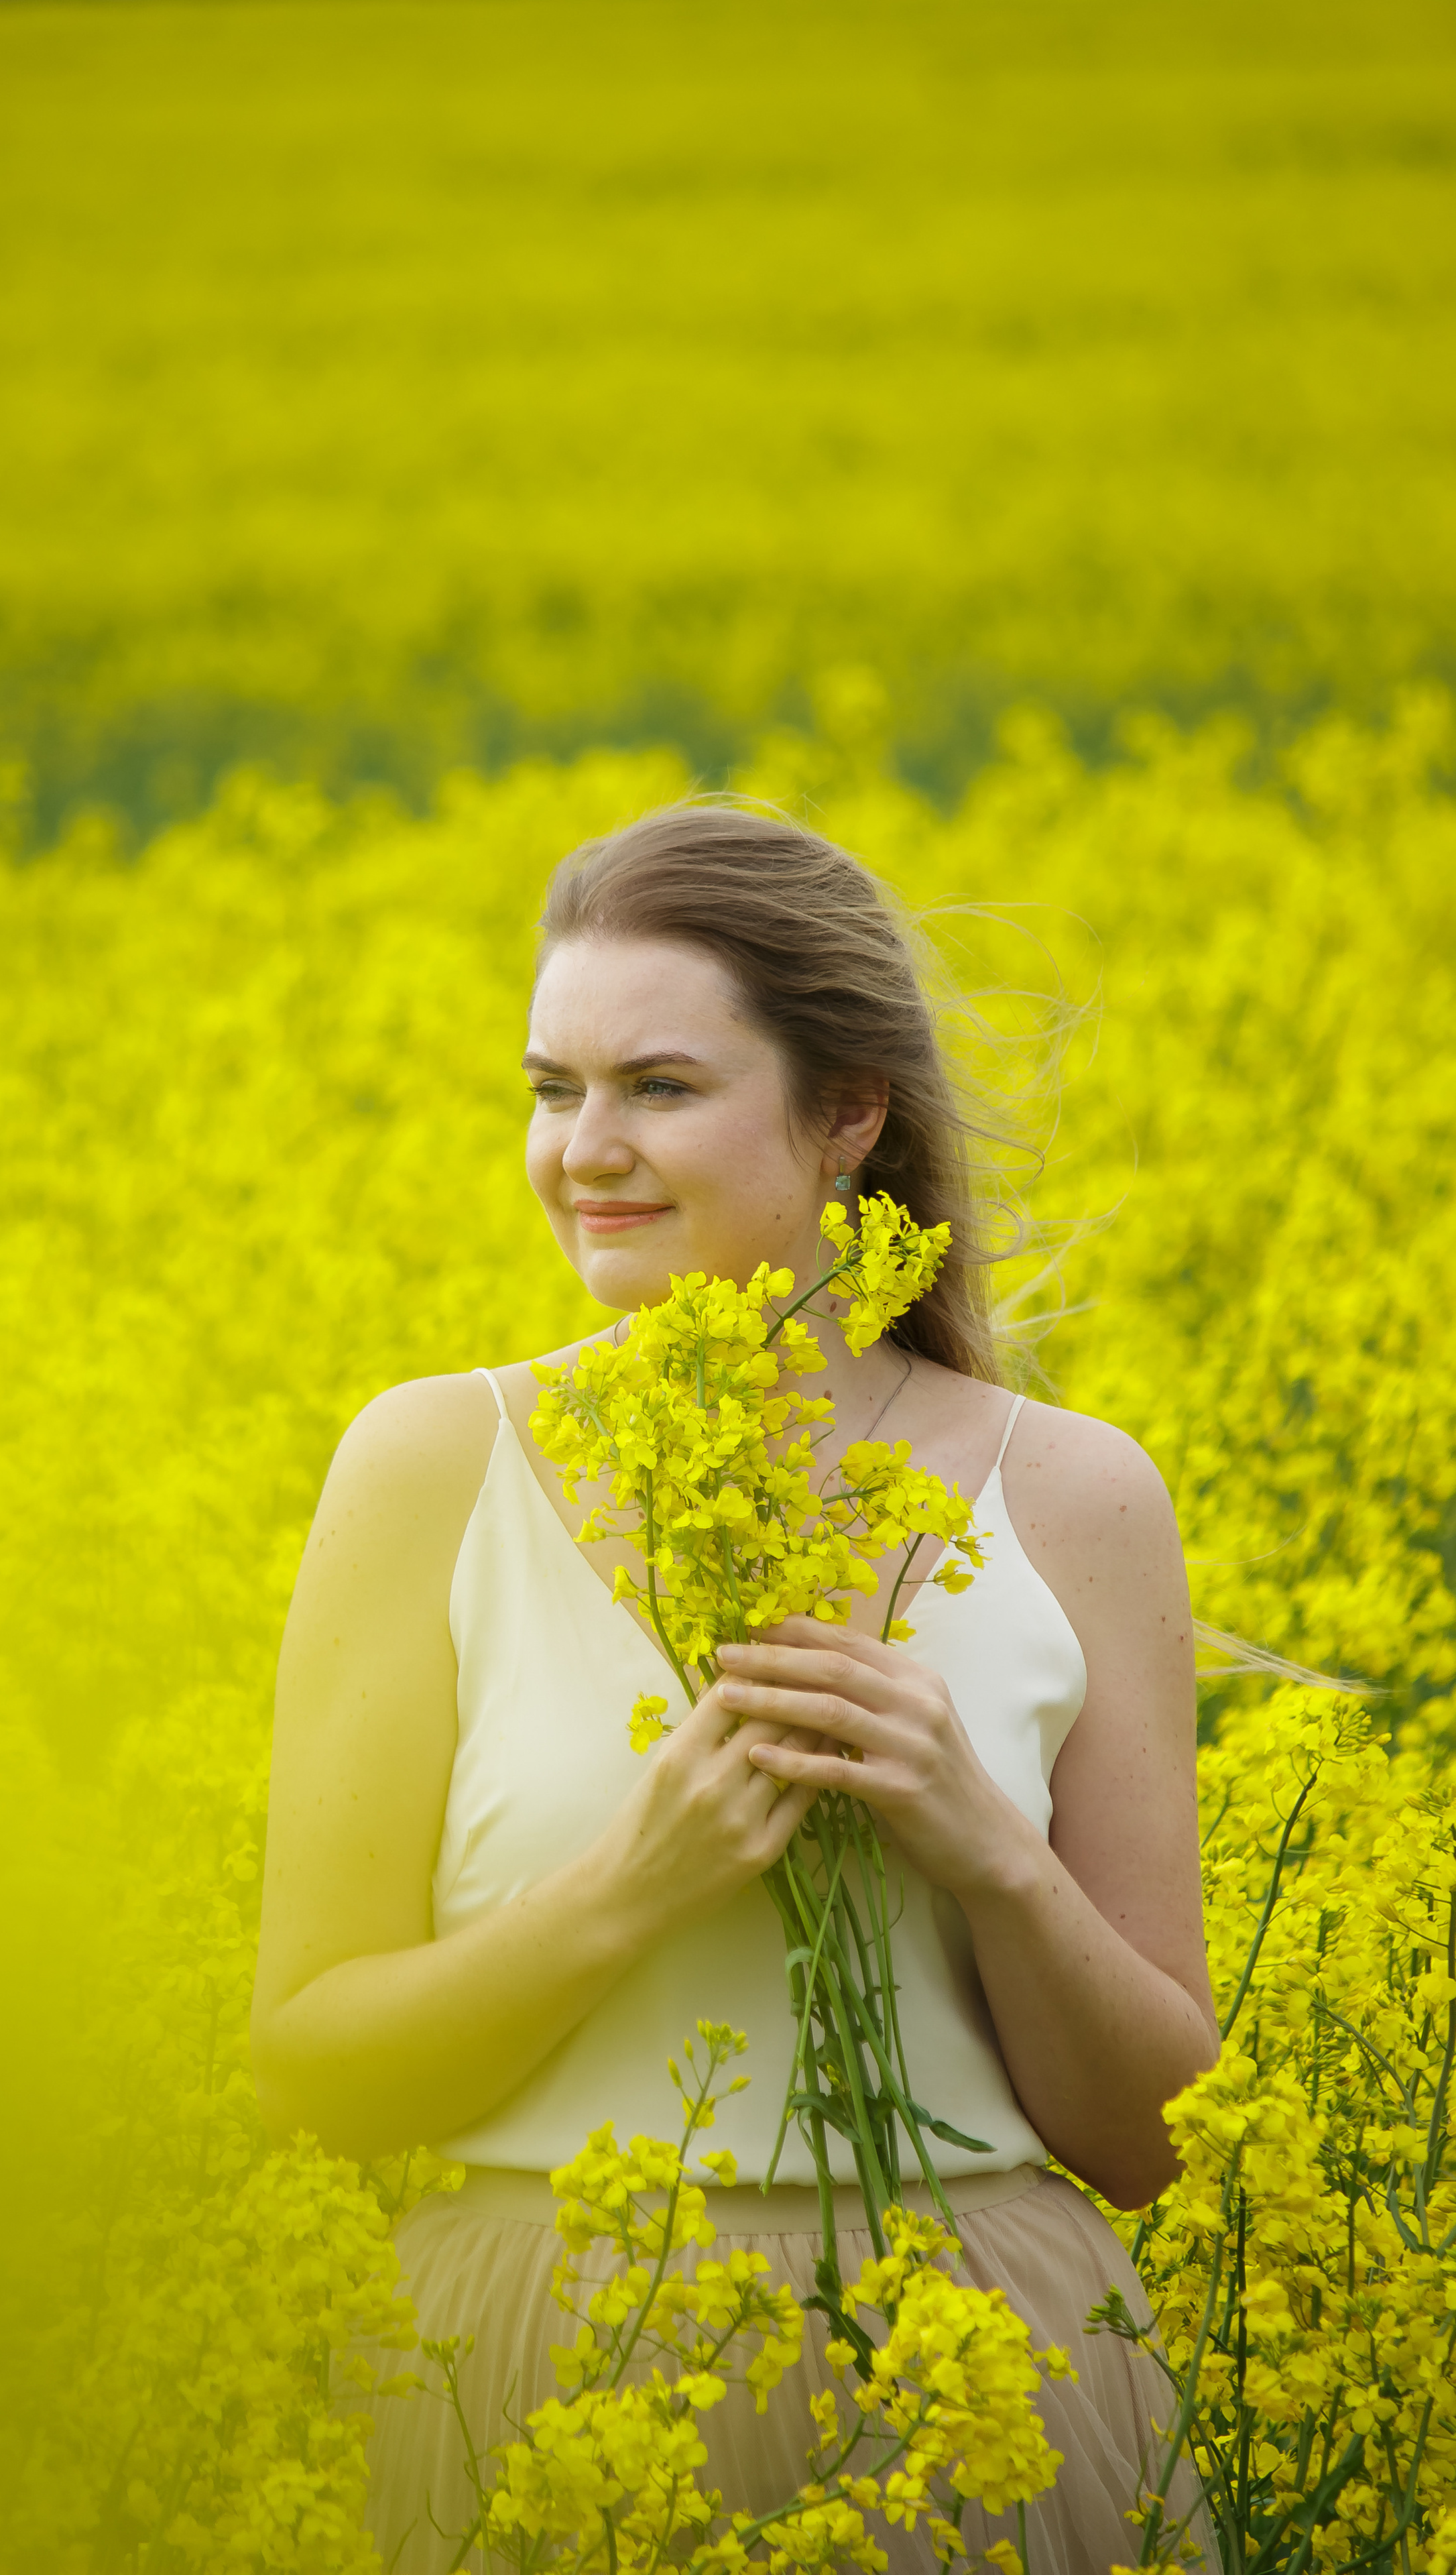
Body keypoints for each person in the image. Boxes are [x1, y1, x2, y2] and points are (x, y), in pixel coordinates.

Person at [250, 804, 1221, 2572]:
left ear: (849, 1112)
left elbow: (1158, 2140)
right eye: (554, 1089)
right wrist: (634, 1886)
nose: (584, 1152)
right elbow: (315, 2062)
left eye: (659, 1089)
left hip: (986, 2375)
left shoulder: (1081, 1500)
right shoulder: (428, 1467)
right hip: (540, 2368)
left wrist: (985, 1850)